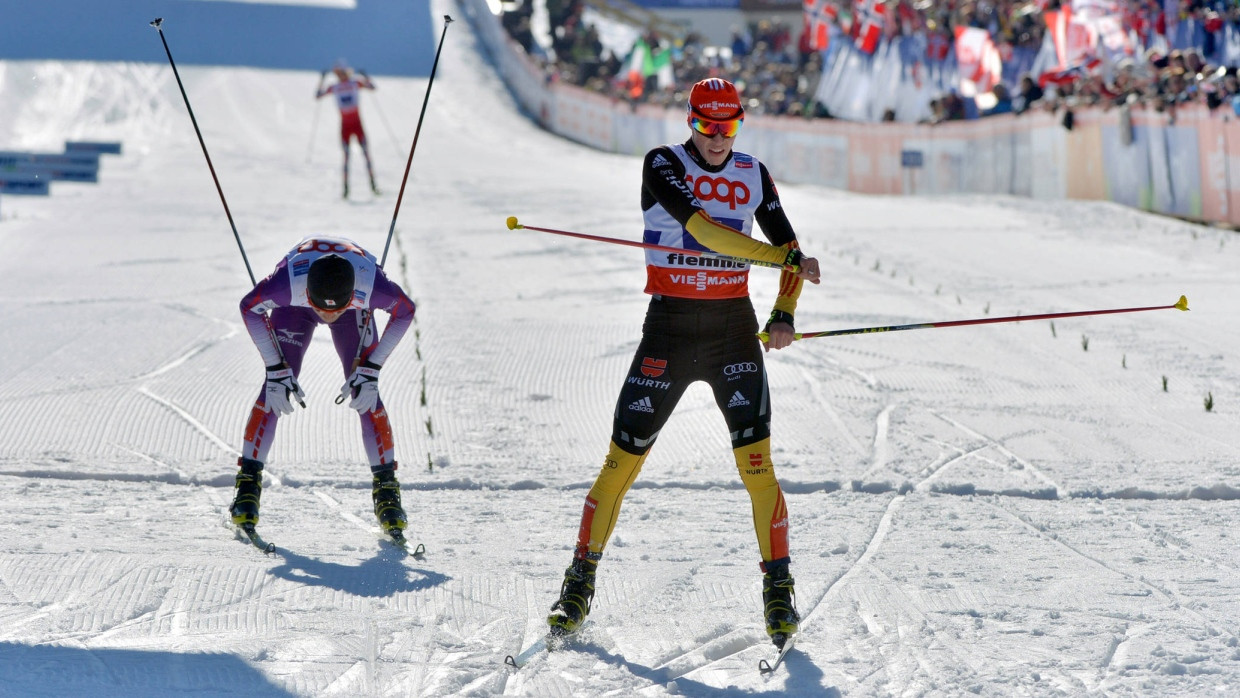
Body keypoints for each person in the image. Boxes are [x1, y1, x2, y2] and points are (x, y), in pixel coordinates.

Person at [545, 78, 822, 650]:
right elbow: (704, 232)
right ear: (690, 122)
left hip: (732, 335)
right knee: (621, 462)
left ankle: (778, 591)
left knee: (759, 470)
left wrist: (784, 313)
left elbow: (789, 246)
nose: (718, 139)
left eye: (729, 127)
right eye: (706, 126)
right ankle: (579, 583)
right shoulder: (662, 163)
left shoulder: (753, 173)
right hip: (669, 330)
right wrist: (783, 257)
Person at [229, 236, 416, 540]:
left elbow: (405, 311)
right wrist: (275, 368)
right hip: (295, 309)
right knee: (275, 389)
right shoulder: (285, 285)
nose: (328, 315)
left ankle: (387, 493)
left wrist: (373, 368)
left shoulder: (372, 288)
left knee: (365, 391)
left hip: (354, 310)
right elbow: (250, 307)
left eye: (335, 309)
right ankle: (248, 485)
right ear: (308, 295)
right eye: (321, 308)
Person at [316, 62, 379, 198]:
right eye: (338, 73)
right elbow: (318, 95)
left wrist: (366, 77)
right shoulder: (335, 87)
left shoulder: (355, 83)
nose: (340, 76)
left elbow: (373, 87)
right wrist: (321, 80)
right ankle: (345, 189)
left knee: (366, 155)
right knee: (346, 157)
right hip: (345, 126)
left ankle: (373, 185)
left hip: (357, 124)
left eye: (342, 72)